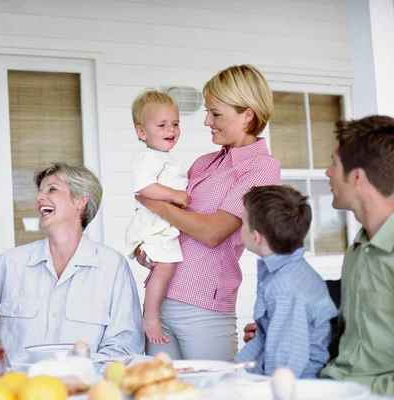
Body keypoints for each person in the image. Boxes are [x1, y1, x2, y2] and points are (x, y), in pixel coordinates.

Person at [135, 64, 280, 361]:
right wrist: (146, 245)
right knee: (160, 392)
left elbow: (213, 232)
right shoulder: (203, 163)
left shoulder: (261, 167)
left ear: (247, 114)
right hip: (159, 299)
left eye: (215, 113)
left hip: (203, 307)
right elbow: (169, 221)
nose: (206, 121)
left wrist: (155, 202)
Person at [0, 162, 144, 366]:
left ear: (80, 201)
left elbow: (126, 346)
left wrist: (79, 371)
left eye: (52, 189)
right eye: (39, 192)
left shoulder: (112, 267)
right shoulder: (10, 263)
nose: (39, 198)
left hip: (84, 387)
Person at [318, 116, 394, 395]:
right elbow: (348, 338)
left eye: (334, 164)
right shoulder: (357, 250)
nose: (327, 173)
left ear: (358, 178)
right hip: (333, 384)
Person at [234, 185, 337, 378]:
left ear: (256, 236)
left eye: (243, 223)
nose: (240, 228)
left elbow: (283, 367)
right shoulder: (289, 272)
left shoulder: (285, 291)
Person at [125, 89, 189, 345]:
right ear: (142, 132)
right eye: (161, 125)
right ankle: (150, 317)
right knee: (164, 268)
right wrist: (175, 194)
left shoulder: (162, 157)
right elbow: (143, 187)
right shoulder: (147, 158)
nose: (170, 130)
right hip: (153, 224)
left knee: (164, 268)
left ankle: (152, 314)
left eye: (175, 124)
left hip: (162, 223)